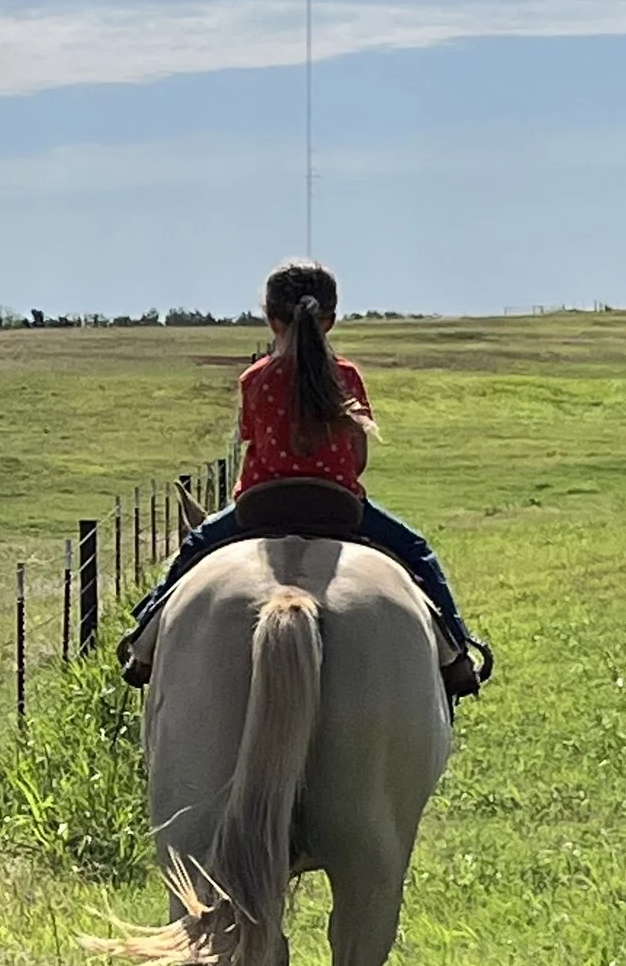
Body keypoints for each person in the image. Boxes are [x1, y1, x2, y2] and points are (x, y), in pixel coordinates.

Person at [118, 258, 489, 700]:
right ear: (329, 320)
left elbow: (253, 440)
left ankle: (143, 641)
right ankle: (458, 654)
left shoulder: (254, 379)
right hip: (339, 508)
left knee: (195, 548)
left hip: (260, 507)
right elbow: (359, 458)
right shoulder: (346, 376)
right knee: (418, 553)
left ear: (271, 318)